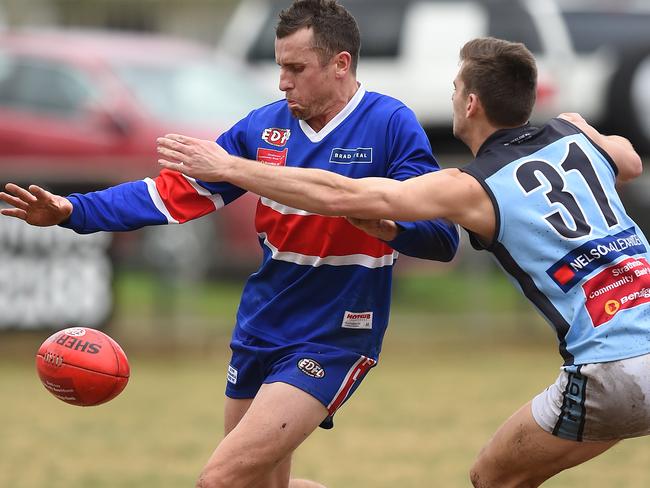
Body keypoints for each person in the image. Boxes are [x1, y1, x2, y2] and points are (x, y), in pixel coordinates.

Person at [150, 37, 650, 487]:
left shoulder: (469, 186)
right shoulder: (573, 137)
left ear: (470, 103)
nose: (452, 96)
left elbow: (344, 193)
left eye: (456, 87)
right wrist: (587, 131)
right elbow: (629, 160)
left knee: (491, 477)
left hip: (609, 368)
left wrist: (230, 167)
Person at [0, 1, 459, 487]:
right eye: (281, 66)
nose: (283, 81)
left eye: (296, 68)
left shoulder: (389, 124)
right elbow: (167, 196)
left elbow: (441, 237)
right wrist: (74, 211)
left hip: (334, 335)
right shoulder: (262, 128)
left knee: (220, 480)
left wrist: (386, 224)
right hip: (262, 323)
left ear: (340, 64)